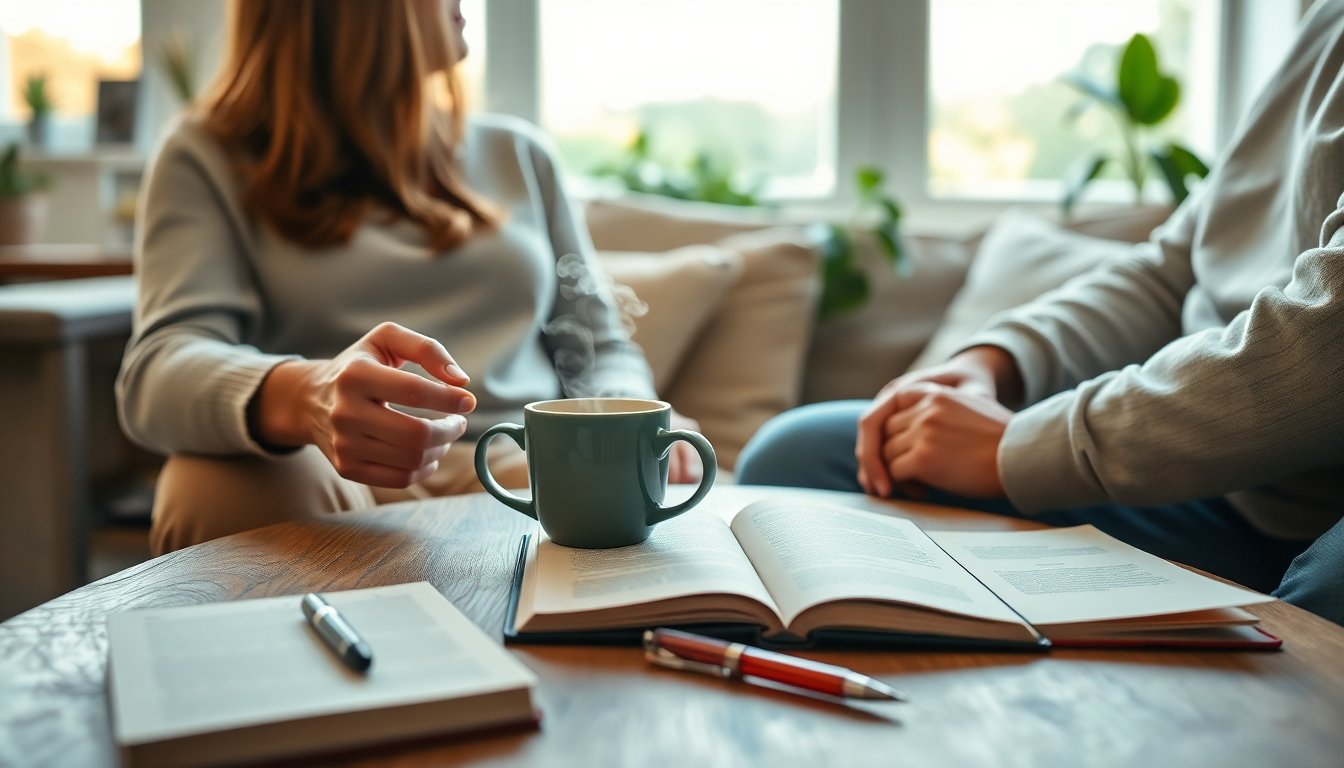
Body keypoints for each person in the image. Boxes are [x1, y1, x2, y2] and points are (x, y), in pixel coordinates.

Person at [736, 0, 1344, 625]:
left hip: (1322, 515)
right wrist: (995, 363)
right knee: (799, 458)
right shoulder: (1321, 26)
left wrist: (1017, 449)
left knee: (1325, 608)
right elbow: (1169, 272)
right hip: (1219, 496)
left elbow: (1329, 342)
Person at [117, 0, 701, 555]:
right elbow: (157, 369)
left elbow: (602, 342)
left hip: (522, 465)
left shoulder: (519, 155)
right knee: (207, 487)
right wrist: (306, 395)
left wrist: (627, 417)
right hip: (333, 477)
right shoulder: (206, 156)